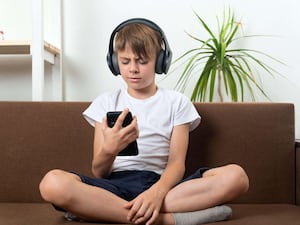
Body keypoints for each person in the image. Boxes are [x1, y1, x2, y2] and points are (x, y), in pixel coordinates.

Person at [39, 18, 249, 225]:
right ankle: (164, 219)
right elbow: (99, 172)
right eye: (125, 61)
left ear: (160, 61)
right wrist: (110, 149)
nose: (133, 69)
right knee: (52, 183)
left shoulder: (177, 102)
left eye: (142, 61)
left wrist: (156, 194)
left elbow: (176, 164)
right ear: (114, 62)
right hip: (114, 187)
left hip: (164, 185)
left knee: (237, 177)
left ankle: (100, 211)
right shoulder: (105, 103)